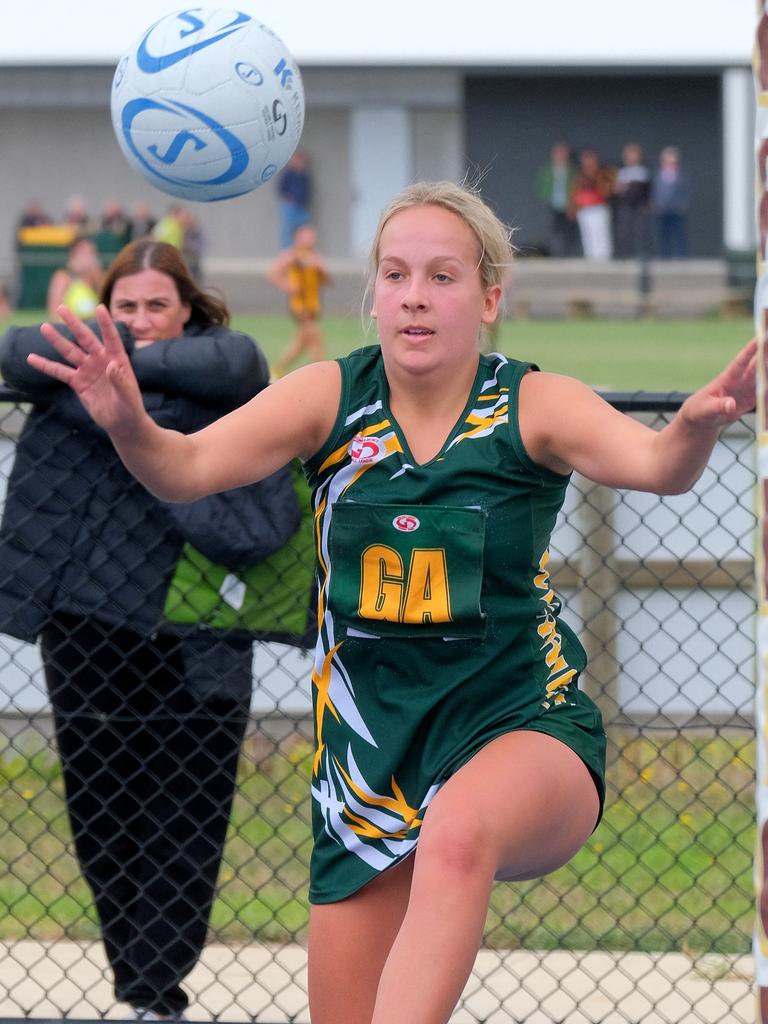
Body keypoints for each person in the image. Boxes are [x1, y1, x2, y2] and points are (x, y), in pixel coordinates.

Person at [25, 182, 756, 1024]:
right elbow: (183, 470)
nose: (415, 294)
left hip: (521, 727)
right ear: (373, 293)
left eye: (443, 276)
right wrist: (127, 424)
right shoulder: (331, 398)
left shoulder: (532, 404)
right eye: (397, 274)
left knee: (456, 830)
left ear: (488, 296)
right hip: (368, 769)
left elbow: (660, 466)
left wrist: (697, 426)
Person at [0, 238, 305, 1020]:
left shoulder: (227, 367)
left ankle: (153, 993)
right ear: (103, 311)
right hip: (86, 628)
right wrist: (111, 372)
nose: (139, 323)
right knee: (102, 813)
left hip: (195, 633)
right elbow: (11, 352)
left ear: (188, 308)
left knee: (189, 814)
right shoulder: (70, 368)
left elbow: (240, 364)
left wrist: (119, 381)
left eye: (156, 308)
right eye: (124, 310)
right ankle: (140, 988)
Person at [268, 223, 330, 377]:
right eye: (307, 235)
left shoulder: (315, 257)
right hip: (299, 305)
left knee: (301, 344)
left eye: (312, 235)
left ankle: (275, 370)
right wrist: (288, 286)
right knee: (316, 338)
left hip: (313, 304)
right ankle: (320, 374)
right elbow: (273, 273)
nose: (311, 238)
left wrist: (321, 270)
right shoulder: (291, 255)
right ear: (297, 237)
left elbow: (325, 281)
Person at [534, 141, 580, 257]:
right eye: (558, 153)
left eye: (563, 153)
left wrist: (573, 204)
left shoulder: (572, 170)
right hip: (553, 205)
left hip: (568, 206)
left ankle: (567, 254)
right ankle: (553, 254)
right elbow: (541, 186)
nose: (560, 155)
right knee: (552, 230)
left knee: (568, 232)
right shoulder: (547, 170)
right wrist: (546, 197)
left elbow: (577, 187)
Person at [570, 148, 615, 260]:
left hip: (598, 208)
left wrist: (595, 176)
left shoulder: (603, 172)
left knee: (601, 236)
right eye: (585, 159)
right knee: (587, 237)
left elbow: (608, 190)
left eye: (590, 159)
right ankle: (591, 262)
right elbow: (575, 192)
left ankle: (604, 261)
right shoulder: (580, 174)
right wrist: (573, 208)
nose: (587, 162)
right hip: (584, 209)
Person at [46, 236, 103, 319]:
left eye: (91, 253)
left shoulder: (95, 279)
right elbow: (54, 312)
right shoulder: (63, 277)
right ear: (73, 255)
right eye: (83, 253)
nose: (88, 258)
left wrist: (97, 274)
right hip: (69, 328)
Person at [612, 142, 652, 259]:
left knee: (641, 232)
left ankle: (642, 256)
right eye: (629, 155)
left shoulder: (643, 172)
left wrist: (647, 203)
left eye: (634, 155)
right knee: (624, 232)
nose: (631, 158)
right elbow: (617, 189)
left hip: (639, 207)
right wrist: (620, 188)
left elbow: (647, 191)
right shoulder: (622, 172)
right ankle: (625, 256)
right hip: (626, 206)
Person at [652, 145, 690, 258]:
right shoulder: (658, 176)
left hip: (676, 210)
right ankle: (664, 256)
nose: (670, 164)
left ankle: (681, 256)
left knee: (679, 234)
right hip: (663, 210)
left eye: (673, 162)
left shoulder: (681, 176)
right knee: (664, 235)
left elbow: (686, 192)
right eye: (668, 162)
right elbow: (655, 191)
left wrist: (682, 206)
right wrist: (656, 204)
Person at [276, 150, 312, 250]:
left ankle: (304, 249)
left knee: (304, 228)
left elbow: (308, 190)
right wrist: (289, 198)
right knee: (288, 229)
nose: (298, 162)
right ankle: (287, 251)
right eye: (296, 159)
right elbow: (281, 189)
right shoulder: (288, 174)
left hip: (302, 206)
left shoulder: (304, 175)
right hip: (290, 206)